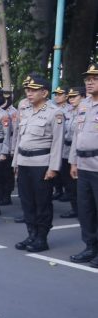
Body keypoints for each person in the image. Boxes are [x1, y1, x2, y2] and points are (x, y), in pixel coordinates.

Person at [12, 75, 64, 252]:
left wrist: (53, 168)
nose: (29, 93)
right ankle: (31, 234)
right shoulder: (25, 111)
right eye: (27, 90)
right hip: (24, 162)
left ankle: (41, 238)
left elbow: (58, 142)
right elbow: (20, 138)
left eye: (33, 90)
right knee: (26, 202)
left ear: (45, 92)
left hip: (42, 164)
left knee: (42, 203)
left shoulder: (54, 113)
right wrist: (16, 163)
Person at [68, 63, 98, 266]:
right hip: (83, 164)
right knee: (85, 209)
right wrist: (73, 162)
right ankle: (90, 247)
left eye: (94, 79)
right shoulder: (84, 105)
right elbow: (78, 135)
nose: (89, 82)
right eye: (87, 79)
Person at [59, 87, 85, 219]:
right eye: (70, 97)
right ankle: (74, 208)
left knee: (79, 183)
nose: (71, 99)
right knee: (68, 182)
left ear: (83, 97)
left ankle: (83, 209)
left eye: (75, 96)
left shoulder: (86, 112)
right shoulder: (67, 112)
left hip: (79, 151)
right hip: (66, 150)